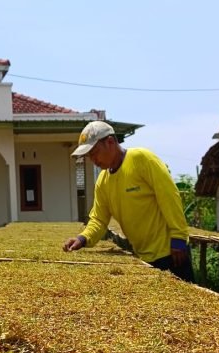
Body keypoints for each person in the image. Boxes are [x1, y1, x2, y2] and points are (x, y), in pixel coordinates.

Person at [63, 120, 195, 282]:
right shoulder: (103, 182)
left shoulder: (142, 159)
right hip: (144, 257)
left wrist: (179, 238)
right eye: (89, 156)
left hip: (172, 252)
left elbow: (169, 196)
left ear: (110, 142)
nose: (93, 159)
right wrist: (82, 239)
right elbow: (98, 219)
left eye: (94, 152)